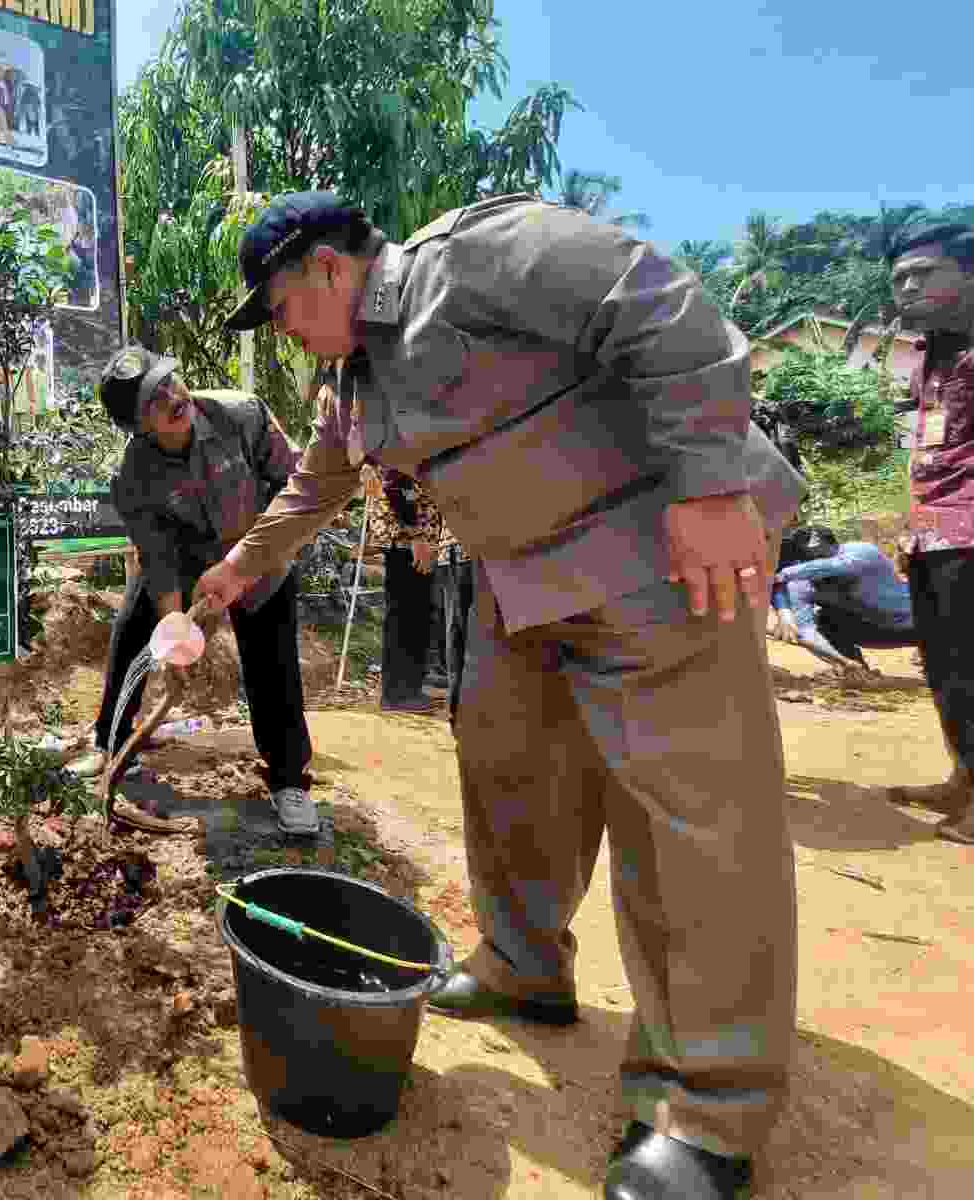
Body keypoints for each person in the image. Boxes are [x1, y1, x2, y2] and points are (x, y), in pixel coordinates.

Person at [197, 192, 806, 1200]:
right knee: (505, 765)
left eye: (281, 309)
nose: (286, 333)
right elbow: (313, 488)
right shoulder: (348, 389)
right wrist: (233, 570)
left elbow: (654, 301)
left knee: (688, 823)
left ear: (324, 270)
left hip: (655, 552)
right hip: (518, 586)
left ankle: (706, 1107)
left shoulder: (472, 258)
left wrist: (706, 487)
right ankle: (526, 965)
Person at [71, 347, 318, 835]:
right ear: (139, 427)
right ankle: (112, 743)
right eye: (152, 399)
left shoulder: (242, 415)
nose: (171, 396)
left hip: (256, 554)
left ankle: (289, 779)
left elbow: (295, 486)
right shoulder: (134, 474)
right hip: (185, 564)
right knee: (134, 633)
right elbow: (158, 560)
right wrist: (175, 623)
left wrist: (249, 562)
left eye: (169, 381)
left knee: (273, 666)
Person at [883, 224, 974, 842]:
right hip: (932, 531)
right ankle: (966, 776)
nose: (907, 286)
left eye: (923, 273)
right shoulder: (924, 353)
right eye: (898, 279)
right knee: (945, 665)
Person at [769, 525, 915, 673]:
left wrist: (783, 574)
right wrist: (840, 660)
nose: (815, 557)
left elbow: (839, 565)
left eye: (821, 552)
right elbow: (807, 632)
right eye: (807, 555)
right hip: (879, 630)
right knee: (825, 619)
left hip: (920, 622)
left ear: (834, 545)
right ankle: (858, 672)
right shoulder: (802, 585)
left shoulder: (862, 552)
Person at [363, 461, 445, 712]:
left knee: (415, 616)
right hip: (407, 543)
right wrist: (417, 537)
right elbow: (399, 491)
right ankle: (398, 694)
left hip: (412, 541)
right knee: (406, 617)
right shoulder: (399, 450)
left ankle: (408, 688)